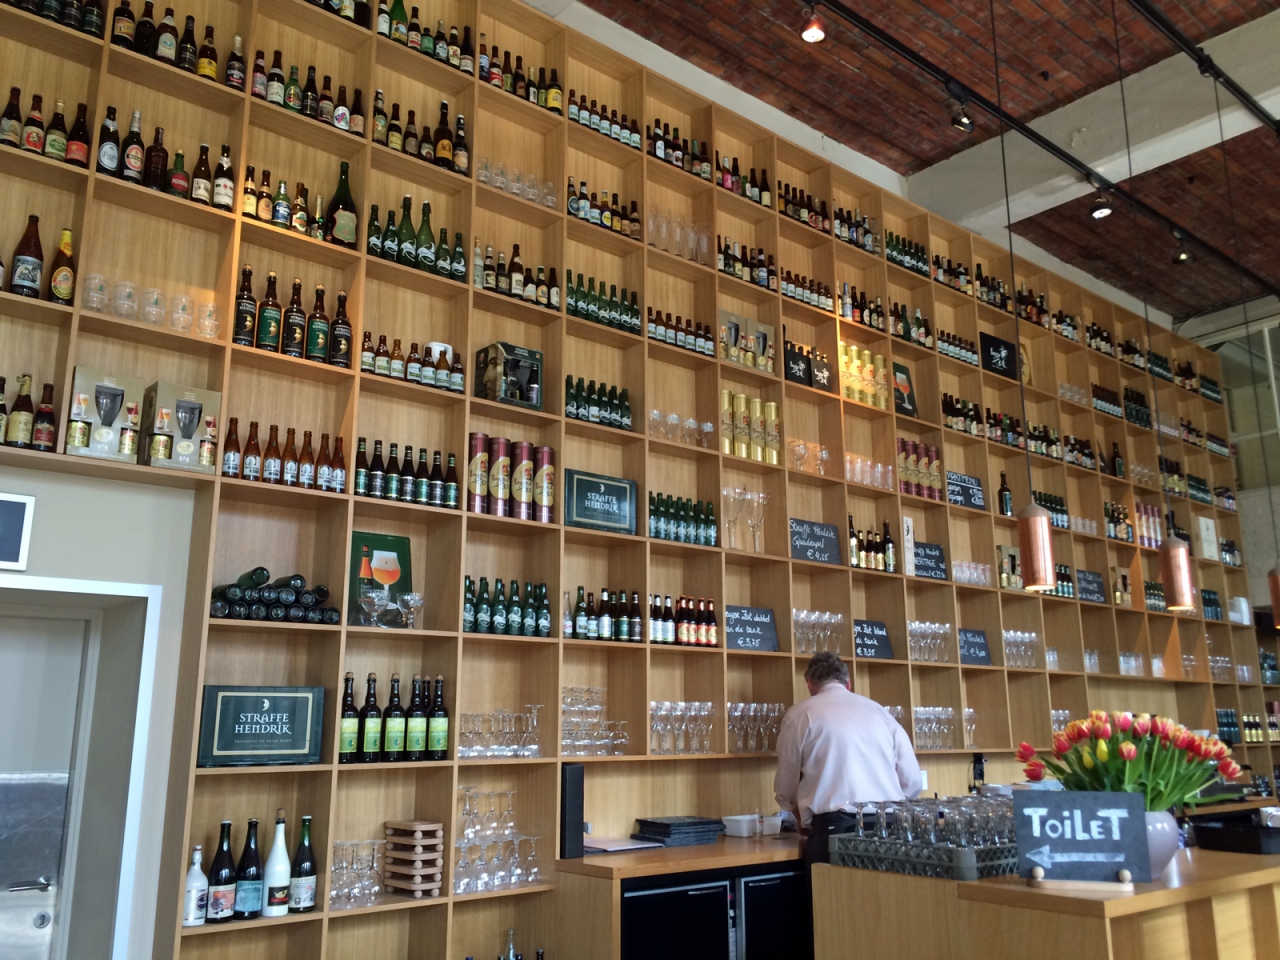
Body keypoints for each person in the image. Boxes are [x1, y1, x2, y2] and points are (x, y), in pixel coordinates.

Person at [774, 651, 922, 865]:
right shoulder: (880, 712)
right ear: (848, 683)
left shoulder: (800, 714)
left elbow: (785, 787)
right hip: (890, 827)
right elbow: (913, 782)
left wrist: (799, 817)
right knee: (890, 888)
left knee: (833, 888)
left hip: (835, 829)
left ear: (809, 684)